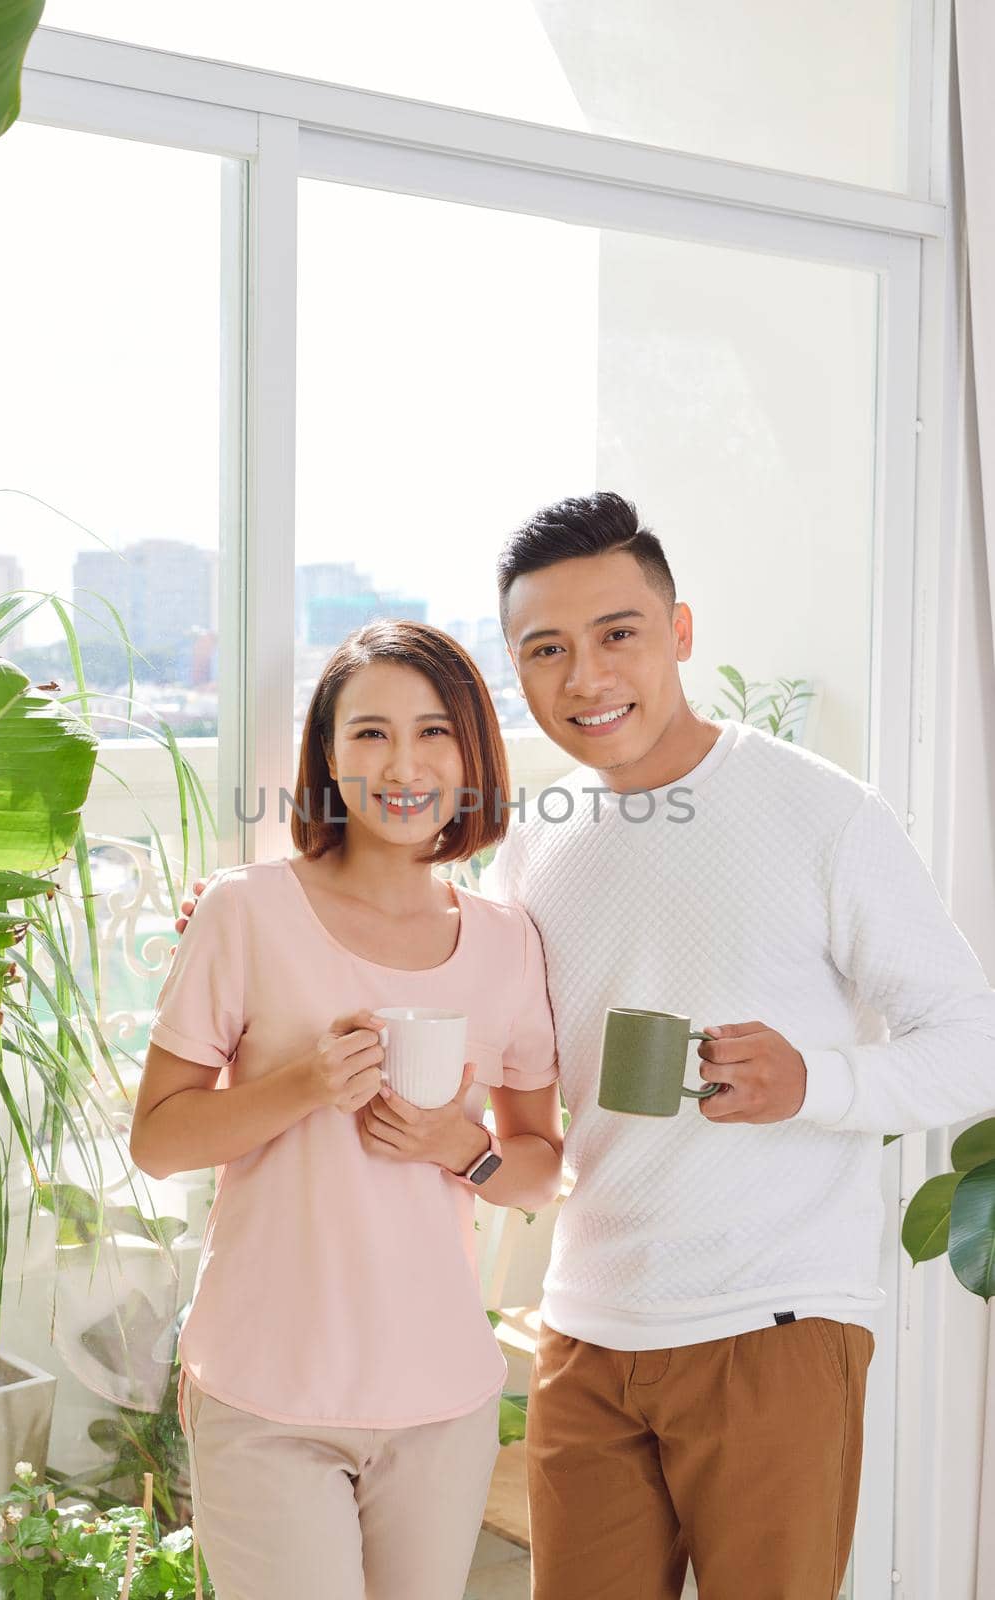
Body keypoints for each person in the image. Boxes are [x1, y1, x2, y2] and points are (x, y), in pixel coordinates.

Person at [480, 491, 995, 1600]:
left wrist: (816, 1078)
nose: (586, 677)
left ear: (681, 633)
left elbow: (973, 1039)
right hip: (587, 1324)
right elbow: (456, 993)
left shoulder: (821, 813)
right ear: (516, 673)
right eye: (546, 650)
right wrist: (246, 923)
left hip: (774, 1318)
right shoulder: (536, 845)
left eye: (618, 633)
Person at [132, 620, 563, 1600]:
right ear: (327, 754)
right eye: (368, 733)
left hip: (441, 1395)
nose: (402, 763)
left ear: (471, 753)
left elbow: (540, 1161)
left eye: (433, 732)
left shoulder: (508, 944)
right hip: (266, 1389)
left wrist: (467, 1149)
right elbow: (158, 1139)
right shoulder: (245, 912)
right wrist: (303, 1086)